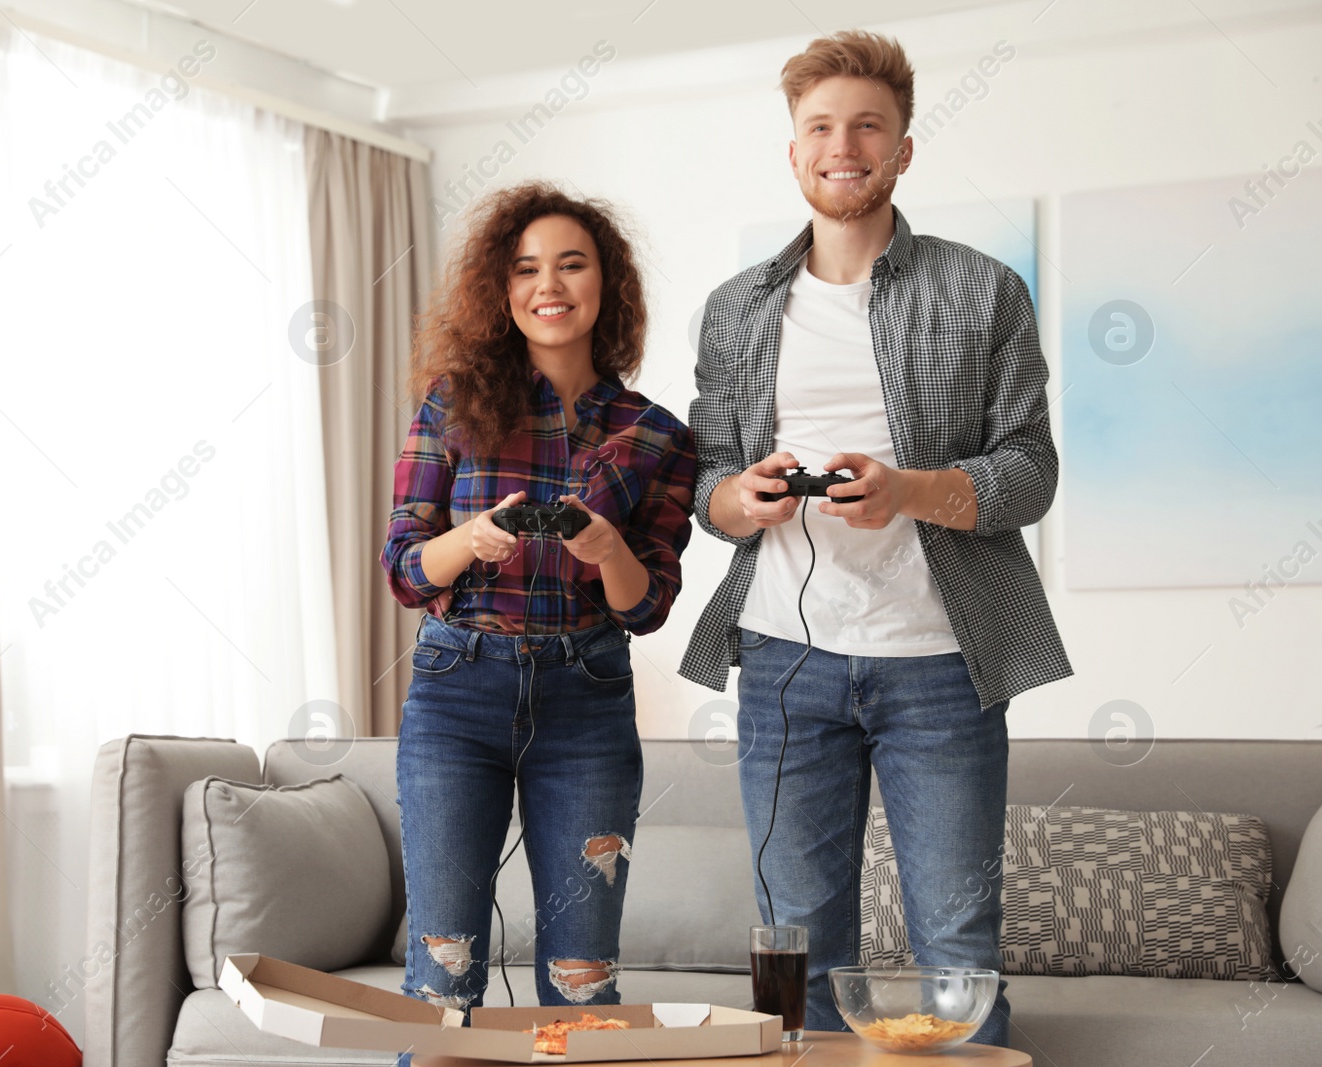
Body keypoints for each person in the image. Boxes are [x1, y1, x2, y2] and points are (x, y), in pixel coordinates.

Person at [679, 30, 1072, 1048]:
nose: (840, 145)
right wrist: (742, 498)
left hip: (939, 663)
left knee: (957, 940)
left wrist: (907, 490)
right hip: (780, 662)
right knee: (792, 950)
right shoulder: (735, 310)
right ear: (794, 150)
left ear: (902, 148)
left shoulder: (982, 290)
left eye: (865, 126)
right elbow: (704, 486)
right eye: (818, 127)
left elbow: (1028, 471)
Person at [381, 181, 696, 1013]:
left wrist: (606, 548)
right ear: (503, 290)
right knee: (442, 979)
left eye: (570, 265)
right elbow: (405, 569)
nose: (548, 286)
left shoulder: (657, 433)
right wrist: (473, 537)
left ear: (607, 284)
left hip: (586, 699)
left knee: (582, 983)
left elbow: (649, 603)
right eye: (525, 269)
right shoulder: (452, 402)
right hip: (457, 692)